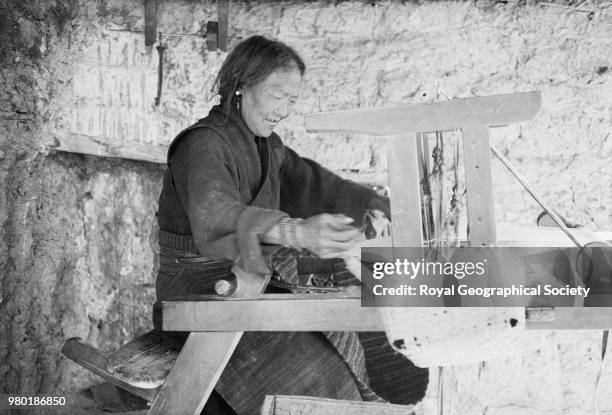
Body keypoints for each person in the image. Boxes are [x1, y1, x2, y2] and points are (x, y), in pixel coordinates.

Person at [154, 35, 427, 414]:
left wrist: (385, 208)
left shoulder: (268, 146)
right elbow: (216, 215)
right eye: (276, 95)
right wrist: (296, 233)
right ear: (240, 86)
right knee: (315, 375)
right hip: (202, 290)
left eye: (292, 100)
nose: (283, 109)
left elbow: (317, 185)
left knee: (349, 319)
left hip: (250, 278)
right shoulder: (201, 145)